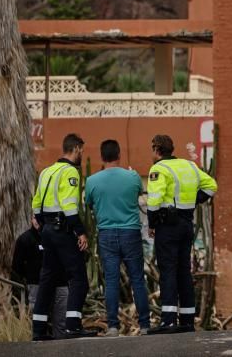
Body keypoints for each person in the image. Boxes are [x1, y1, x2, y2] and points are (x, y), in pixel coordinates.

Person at [145, 134, 218, 334]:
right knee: (184, 272)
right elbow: (212, 186)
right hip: (187, 225)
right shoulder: (190, 166)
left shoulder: (159, 169)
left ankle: (168, 321)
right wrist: (194, 201)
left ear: (156, 148)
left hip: (167, 227)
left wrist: (151, 224)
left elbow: (154, 200)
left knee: (168, 271)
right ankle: (187, 320)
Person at [31, 133, 96, 340]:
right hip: (63, 231)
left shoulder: (47, 172)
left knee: (47, 280)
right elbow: (69, 206)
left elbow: (36, 203)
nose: (81, 155)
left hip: (48, 231)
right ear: (76, 148)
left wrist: (42, 227)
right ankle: (73, 326)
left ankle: (39, 330)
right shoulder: (70, 172)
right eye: (81, 151)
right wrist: (81, 231)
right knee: (79, 279)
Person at [85, 139, 151, 336]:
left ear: (101, 157)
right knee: (138, 279)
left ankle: (112, 326)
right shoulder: (132, 177)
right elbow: (139, 194)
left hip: (106, 234)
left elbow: (89, 204)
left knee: (111, 281)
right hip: (130, 232)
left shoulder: (91, 181)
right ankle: (146, 325)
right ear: (119, 155)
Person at [11, 215, 69, 339]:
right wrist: (30, 277)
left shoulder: (60, 236)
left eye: (40, 217)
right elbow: (17, 265)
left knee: (61, 320)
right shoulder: (24, 239)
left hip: (60, 284)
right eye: (33, 217)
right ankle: (39, 347)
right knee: (38, 320)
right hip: (36, 285)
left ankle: (63, 347)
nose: (37, 221)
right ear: (31, 219)